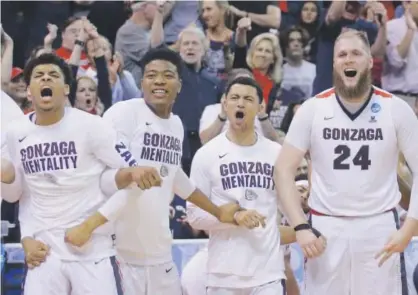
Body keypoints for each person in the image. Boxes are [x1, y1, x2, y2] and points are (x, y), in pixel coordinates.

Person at [63, 47, 241, 295]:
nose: (159, 81)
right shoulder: (122, 114)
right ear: (142, 82)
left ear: (179, 84)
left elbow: (174, 176)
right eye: (151, 75)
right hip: (117, 251)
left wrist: (217, 211)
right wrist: (88, 226)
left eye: (167, 75)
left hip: (158, 251)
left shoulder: (176, 124)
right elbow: (111, 178)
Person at [0, 53, 163, 295]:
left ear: (66, 88)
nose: (46, 79)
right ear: (29, 90)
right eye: (39, 76)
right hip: (45, 254)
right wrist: (27, 238)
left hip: (92, 250)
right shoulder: (15, 133)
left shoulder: (93, 126)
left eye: (53, 75)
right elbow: (22, 196)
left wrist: (89, 226)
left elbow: (133, 182)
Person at [275, 29, 418, 295]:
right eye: (342, 54)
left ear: (369, 61)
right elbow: (283, 169)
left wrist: (410, 227)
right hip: (326, 229)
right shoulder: (313, 109)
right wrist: (301, 226)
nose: (348, 60)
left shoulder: (396, 108)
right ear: (334, 63)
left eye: (356, 53)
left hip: (379, 227)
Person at [186, 76, 320, 295]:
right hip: (223, 275)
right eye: (235, 98)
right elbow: (194, 216)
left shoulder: (277, 154)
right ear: (224, 104)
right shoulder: (206, 154)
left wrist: (306, 228)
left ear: (260, 107)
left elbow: (290, 209)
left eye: (248, 99)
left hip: (268, 274)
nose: (240, 103)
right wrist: (232, 217)